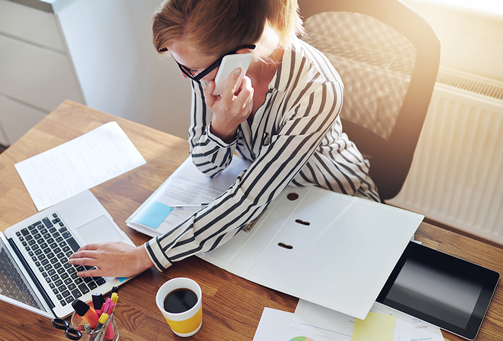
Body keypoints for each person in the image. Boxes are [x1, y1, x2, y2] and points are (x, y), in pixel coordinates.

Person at [68, 0, 379, 278]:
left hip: (334, 201)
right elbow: (206, 165)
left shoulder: (317, 89)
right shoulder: (212, 68)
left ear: (240, 56)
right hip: (276, 204)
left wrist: (144, 256)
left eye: (191, 69)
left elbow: (249, 197)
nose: (185, 76)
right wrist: (222, 126)